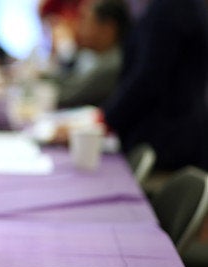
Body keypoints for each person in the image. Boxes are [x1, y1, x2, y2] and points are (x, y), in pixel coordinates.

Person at [101, 0, 208, 170]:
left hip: (169, 137)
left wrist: (104, 121)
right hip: (177, 130)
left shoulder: (171, 7)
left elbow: (147, 78)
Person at [52, 0, 131, 109]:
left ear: (107, 29)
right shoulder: (93, 55)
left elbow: (66, 97)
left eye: (85, 21)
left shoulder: (111, 65)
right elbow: (68, 81)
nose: (79, 28)